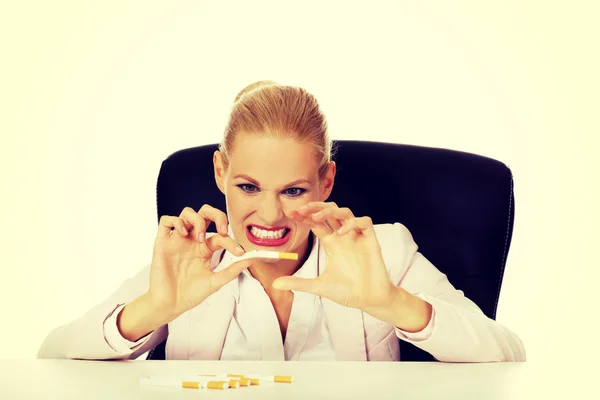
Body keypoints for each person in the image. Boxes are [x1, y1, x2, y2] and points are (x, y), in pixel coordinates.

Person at [38, 81, 526, 362]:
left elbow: (508, 355)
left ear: (326, 180)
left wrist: (390, 302)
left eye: (293, 190)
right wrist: (154, 307)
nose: (270, 215)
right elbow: (54, 358)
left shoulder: (383, 250)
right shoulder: (196, 262)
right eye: (248, 187)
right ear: (220, 172)